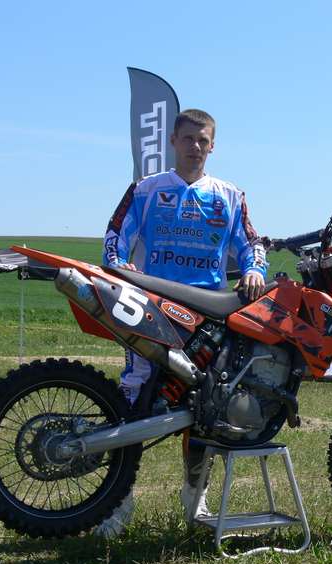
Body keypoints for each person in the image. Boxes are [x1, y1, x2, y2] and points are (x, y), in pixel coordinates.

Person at [93, 109, 268, 538]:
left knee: (205, 409)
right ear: (173, 141)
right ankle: (118, 502)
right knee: (135, 402)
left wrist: (254, 270)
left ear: (213, 146)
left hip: (208, 318)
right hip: (151, 310)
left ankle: (195, 499)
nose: (195, 147)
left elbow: (252, 244)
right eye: (188, 138)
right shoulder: (146, 189)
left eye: (203, 140)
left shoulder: (230, 195)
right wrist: (118, 265)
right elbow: (115, 236)